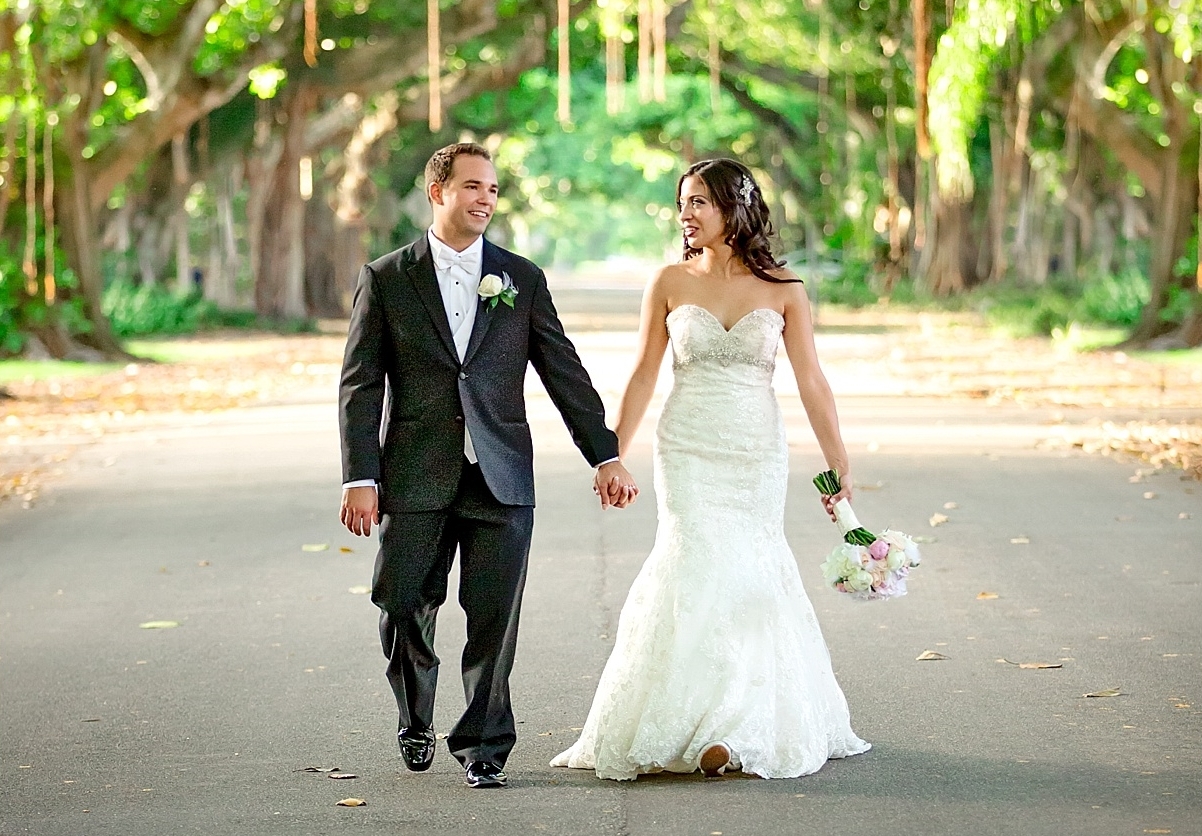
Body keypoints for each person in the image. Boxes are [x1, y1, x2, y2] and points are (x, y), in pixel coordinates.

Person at [551, 158, 870, 780]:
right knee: (694, 560)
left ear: (735, 207)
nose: (686, 214)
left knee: (751, 567)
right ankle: (687, 719)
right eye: (683, 203)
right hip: (688, 446)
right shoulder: (669, 281)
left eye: (699, 201)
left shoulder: (784, 289)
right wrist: (612, 452)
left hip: (755, 450)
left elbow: (810, 379)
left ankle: (735, 726)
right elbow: (645, 372)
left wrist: (839, 463)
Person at [338, 142, 638, 789]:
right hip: (415, 474)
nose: (485, 199)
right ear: (438, 191)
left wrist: (605, 453)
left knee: (495, 616)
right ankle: (415, 713)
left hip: (500, 475)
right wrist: (360, 477)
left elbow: (564, 372)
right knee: (400, 603)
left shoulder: (521, 279)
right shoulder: (387, 278)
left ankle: (484, 746)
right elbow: (361, 385)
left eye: (494, 190)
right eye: (473, 186)